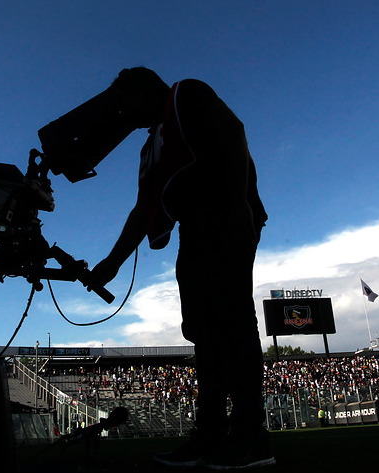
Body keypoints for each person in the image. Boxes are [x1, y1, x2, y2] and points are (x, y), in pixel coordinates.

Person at [89, 67, 273, 469]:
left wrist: (239, 201)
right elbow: (144, 210)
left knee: (233, 324)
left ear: (142, 91)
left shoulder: (186, 93)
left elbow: (233, 131)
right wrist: (113, 262)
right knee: (204, 334)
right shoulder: (150, 145)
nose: (123, 113)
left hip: (225, 213)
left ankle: (250, 436)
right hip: (195, 227)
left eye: (125, 102)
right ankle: (209, 435)